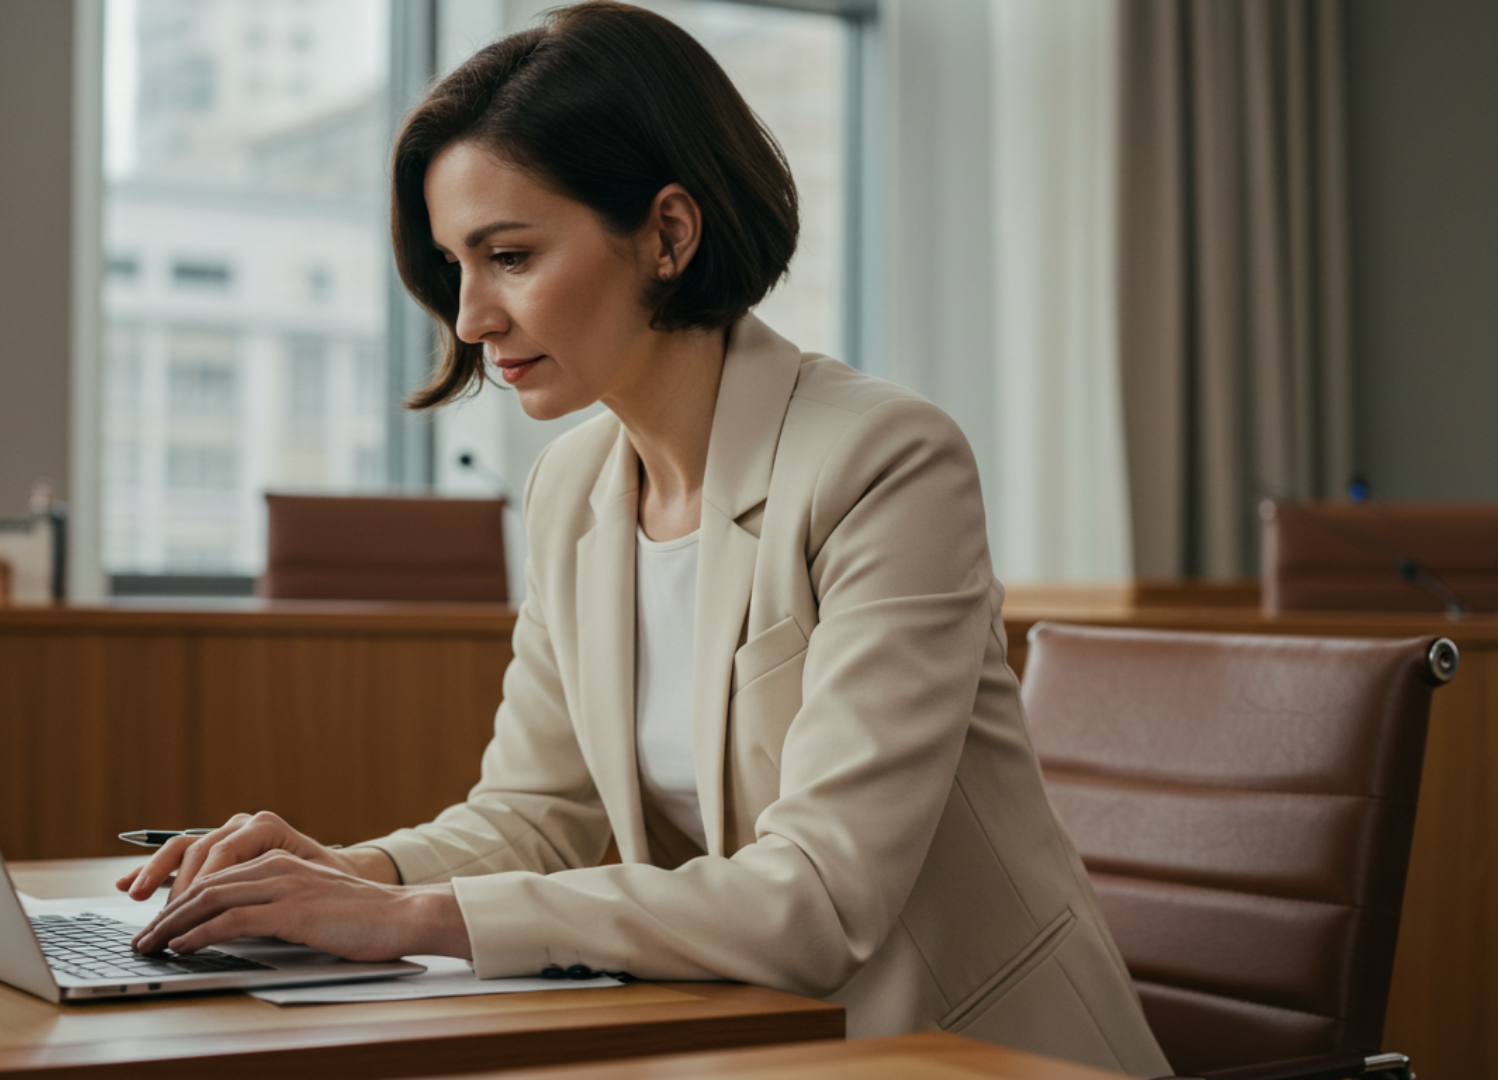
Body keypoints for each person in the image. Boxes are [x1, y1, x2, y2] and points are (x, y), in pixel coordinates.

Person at [118, 4, 1169, 1074]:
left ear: (668, 234)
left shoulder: (884, 461)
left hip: (969, 1051)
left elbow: (817, 897)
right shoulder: (573, 489)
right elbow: (534, 816)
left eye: (510, 255)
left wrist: (409, 920)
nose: (471, 316)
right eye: (455, 267)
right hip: (767, 1044)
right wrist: (347, 874)